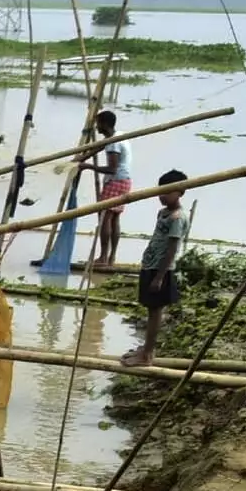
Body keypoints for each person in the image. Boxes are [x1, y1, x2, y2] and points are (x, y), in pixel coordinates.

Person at [125, 170, 189, 367]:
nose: (161, 196)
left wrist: (159, 277)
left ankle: (147, 354)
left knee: (155, 311)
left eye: (167, 192)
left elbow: (171, 249)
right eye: (160, 191)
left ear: (179, 192)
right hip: (150, 265)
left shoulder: (177, 218)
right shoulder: (163, 213)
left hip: (162, 270)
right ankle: (145, 349)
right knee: (150, 308)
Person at [85, 110, 132, 272]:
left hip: (115, 180)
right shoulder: (118, 136)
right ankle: (111, 257)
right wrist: (80, 158)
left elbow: (112, 169)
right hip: (125, 181)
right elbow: (98, 148)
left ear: (104, 124)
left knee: (105, 218)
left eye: (98, 123)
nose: (96, 127)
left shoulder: (113, 143)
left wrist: (89, 166)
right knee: (114, 218)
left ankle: (103, 257)